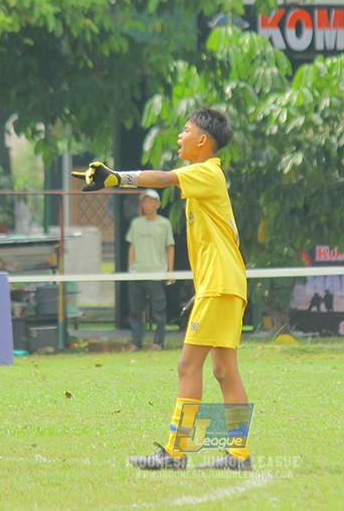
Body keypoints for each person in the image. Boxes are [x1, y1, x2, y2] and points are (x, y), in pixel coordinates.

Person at [73, 107, 252, 471]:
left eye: (185, 130)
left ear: (203, 140)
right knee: (224, 371)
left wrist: (115, 178)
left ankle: (175, 453)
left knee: (188, 366)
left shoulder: (206, 171)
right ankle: (238, 455)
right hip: (223, 285)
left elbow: (166, 178)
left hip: (220, 285)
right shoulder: (205, 177)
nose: (180, 137)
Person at [125, 189, 175, 351]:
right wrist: (131, 269)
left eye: (150, 202)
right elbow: (132, 247)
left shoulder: (164, 224)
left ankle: (158, 342)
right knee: (135, 311)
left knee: (158, 311)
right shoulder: (136, 224)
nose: (147, 205)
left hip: (157, 273)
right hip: (137, 274)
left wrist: (170, 271)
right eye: (145, 202)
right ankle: (135, 343)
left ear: (157, 205)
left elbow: (170, 247)